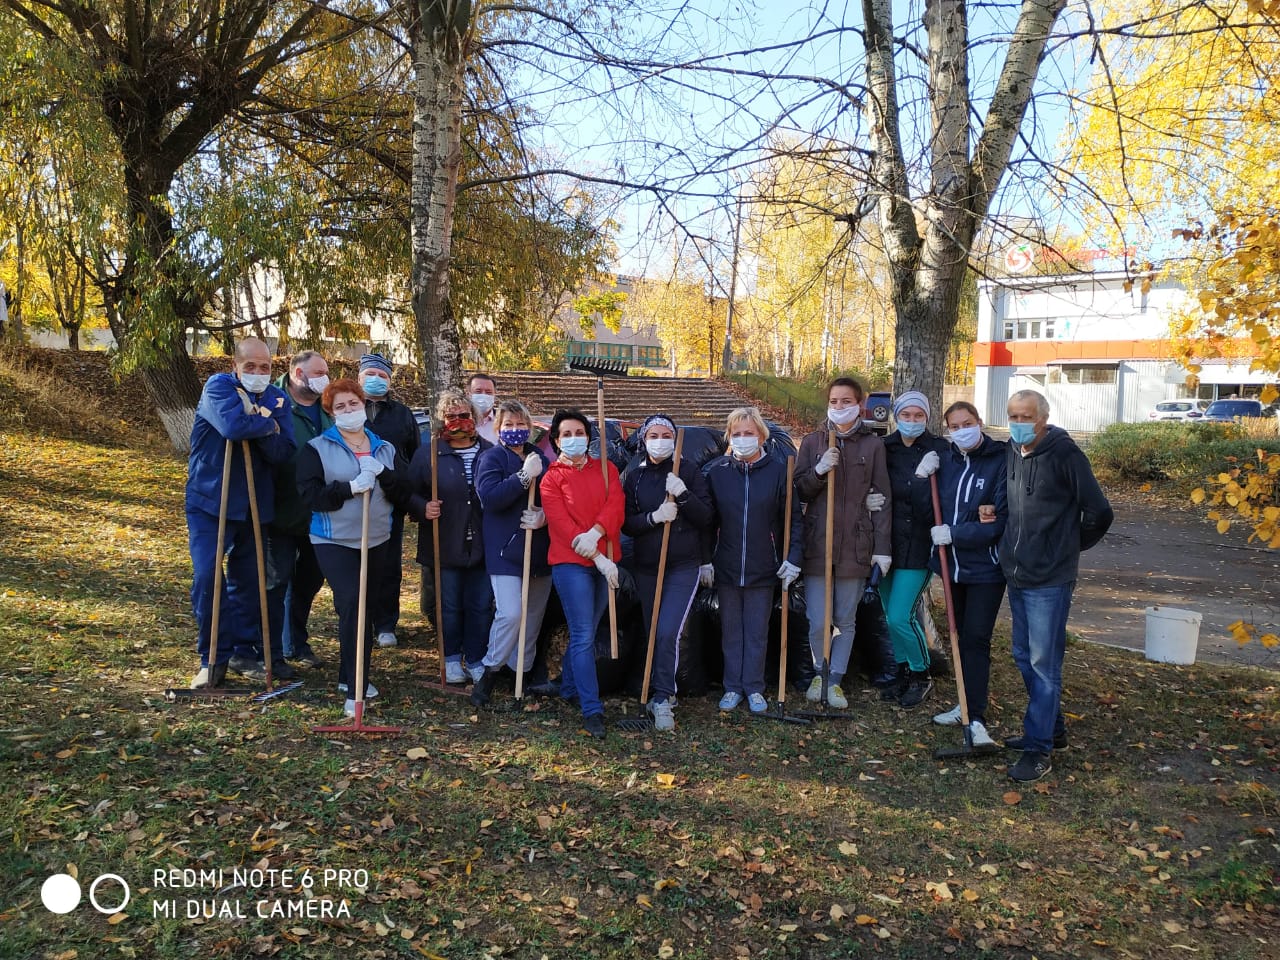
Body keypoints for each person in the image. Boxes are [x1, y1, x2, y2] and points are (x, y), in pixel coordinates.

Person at [1001, 389, 1113, 782]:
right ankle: (1053, 729)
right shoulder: (1012, 452)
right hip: (1016, 573)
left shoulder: (1066, 454)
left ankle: (1038, 749)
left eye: (1026, 415)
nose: (1019, 422)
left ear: (1043, 419)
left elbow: (1100, 511)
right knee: (1021, 655)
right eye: (1013, 414)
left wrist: (1067, 548)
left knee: (1043, 665)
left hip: (1050, 579)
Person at [297, 378, 411, 716]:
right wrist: (349, 488)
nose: (349, 411)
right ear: (331, 413)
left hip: (376, 538)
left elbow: (403, 491)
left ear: (364, 407)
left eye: (354, 404)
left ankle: (351, 673)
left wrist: (383, 475)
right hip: (334, 540)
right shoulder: (317, 448)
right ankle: (356, 684)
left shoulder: (384, 448)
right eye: (341, 407)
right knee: (352, 603)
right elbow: (311, 496)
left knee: (368, 605)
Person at [187, 338, 295, 688]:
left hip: (253, 502)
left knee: (248, 582)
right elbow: (231, 427)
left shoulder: (278, 397)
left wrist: (257, 419)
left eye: (265, 367)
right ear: (236, 365)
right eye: (251, 366)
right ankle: (212, 657)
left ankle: (244, 651)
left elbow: (283, 451)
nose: (259, 373)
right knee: (207, 577)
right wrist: (267, 423)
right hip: (211, 501)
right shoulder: (217, 387)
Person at [793, 379, 891, 708]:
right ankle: (819, 672)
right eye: (833, 400)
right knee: (818, 618)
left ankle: (836, 679)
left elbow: (882, 498)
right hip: (818, 543)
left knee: (845, 619)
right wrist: (819, 471)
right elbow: (799, 492)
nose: (838, 406)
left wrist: (881, 547)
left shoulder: (873, 446)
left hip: (855, 545)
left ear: (859, 404)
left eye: (845, 400)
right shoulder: (812, 441)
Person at [703, 407, 803, 714]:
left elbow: (794, 520)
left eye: (749, 433)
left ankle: (755, 688)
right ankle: (733, 687)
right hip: (728, 566)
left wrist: (792, 559)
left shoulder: (778, 471)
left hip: (764, 567)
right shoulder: (717, 472)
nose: (743, 439)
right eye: (737, 433)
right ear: (729, 437)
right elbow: (707, 521)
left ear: (761, 435)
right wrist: (706, 559)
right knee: (731, 631)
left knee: (757, 632)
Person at [621, 413, 715, 731]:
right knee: (653, 632)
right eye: (653, 436)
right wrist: (654, 517)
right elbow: (628, 524)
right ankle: (654, 688)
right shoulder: (635, 477)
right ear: (644, 440)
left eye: (666, 435)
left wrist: (684, 495)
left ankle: (663, 697)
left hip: (682, 567)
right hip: (648, 567)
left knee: (667, 632)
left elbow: (706, 518)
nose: (660, 441)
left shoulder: (688, 470)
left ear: (675, 440)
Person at [539, 407, 625, 738]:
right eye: (567, 434)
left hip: (606, 559)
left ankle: (568, 689)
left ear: (589, 437)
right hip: (571, 562)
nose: (574, 439)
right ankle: (592, 709)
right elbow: (560, 524)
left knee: (586, 632)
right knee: (584, 634)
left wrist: (598, 534)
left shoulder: (607, 470)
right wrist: (595, 554)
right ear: (556, 440)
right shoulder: (551, 478)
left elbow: (614, 506)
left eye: (580, 433)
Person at [929, 401, 1008, 748]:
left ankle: (976, 717)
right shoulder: (946, 460)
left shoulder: (1000, 460)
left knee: (976, 638)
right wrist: (923, 476)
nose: (962, 430)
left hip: (986, 569)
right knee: (958, 636)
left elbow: (1001, 520)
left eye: (967, 423)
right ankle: (963, 701)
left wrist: (957, 534)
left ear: (979, 422)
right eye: (954, 426)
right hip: (951, 568)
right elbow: (930, 506)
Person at [471, 400, 554, 705]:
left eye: (521, 425)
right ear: (498, 429)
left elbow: (556, 499)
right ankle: (490, 673)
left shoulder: (541, 459)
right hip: (505, 552)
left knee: (531, 618)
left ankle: (522, 673)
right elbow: (490, 499)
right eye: (509, 425)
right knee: (511, 613)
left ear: (530, 428)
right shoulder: (491, 458)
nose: (516, 430)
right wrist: (522, 478)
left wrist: (545, 516)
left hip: (539, 551)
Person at [408, 391, 494, 684]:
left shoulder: (489, 451)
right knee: (450, 605)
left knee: (480, 604)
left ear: (474, 418)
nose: (458, 422)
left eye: (464, 415)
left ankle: (476, 657)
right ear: (442, 420)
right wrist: (422, 507)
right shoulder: (428, 453)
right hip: (444, 542)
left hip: (482, 544)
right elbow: (408, 493)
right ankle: (451, 657)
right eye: (451, 416)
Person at [878, 390, 950, 708]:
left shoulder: (939, 449)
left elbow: (947, 496)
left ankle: (922, 674)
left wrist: (923, 479)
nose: (911, 421)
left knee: (900, 615)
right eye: (905, 415)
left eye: (918, 416)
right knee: (888, 614)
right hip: (884, 544)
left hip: (920, 545)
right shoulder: (884, 448)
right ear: (896, 416)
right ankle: (904, 671)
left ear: (927, 417)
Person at [265, 350, 332, 670]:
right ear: (296, 373)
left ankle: (296, 642)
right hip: (279, 509)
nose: (323, 377)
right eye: (317, 372)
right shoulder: (273, 402)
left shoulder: (329, 407)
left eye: (326, 372)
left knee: (309, 579)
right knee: (276, 580)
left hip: (319, 513)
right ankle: (270, 650)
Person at [357, 353, 421, 649]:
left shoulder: (401, 413)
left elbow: (413, 455)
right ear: (359, 377)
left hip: (390, 497)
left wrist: (411, 497)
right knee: (355, 563)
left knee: (387, 563)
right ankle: (357, 620)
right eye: (371, 373)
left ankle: (385, 623)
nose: (377, 379)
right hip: (353, 497)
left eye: (383, 375)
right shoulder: (348, 408)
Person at [468, 372, 499, 445]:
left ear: (494, 395)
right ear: (468, 394)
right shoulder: (459, 421)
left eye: (488, 392)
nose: (484, 395)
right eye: (478, 391)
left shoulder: (504, 421)